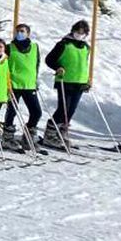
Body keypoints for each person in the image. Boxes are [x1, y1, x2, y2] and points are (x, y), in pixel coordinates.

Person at [43, 19, 91, 150]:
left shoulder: (86, 47)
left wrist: (87, 80)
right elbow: (49, 59)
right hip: (65, 80)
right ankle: (50, 133)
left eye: (83, 32)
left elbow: (84, 64)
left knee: (71, 110)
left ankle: (62, 133)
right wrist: (58, 67)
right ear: (73, 31)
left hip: (79, 82)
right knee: (63, 108)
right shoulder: (64, 44)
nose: (80, 34)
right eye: (77, 31)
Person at [2, 23, 41, 149]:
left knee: (36, 112)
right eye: (17, 31)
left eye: (22, 31)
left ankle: (28, 136)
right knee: (12, 111)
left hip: (29, 85)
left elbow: (36, 64)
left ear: (28, 33)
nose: (19, 33)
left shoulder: (35, 47)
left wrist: (35, 79)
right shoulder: (9, 47)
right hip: (14, 84)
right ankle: (7, 137)